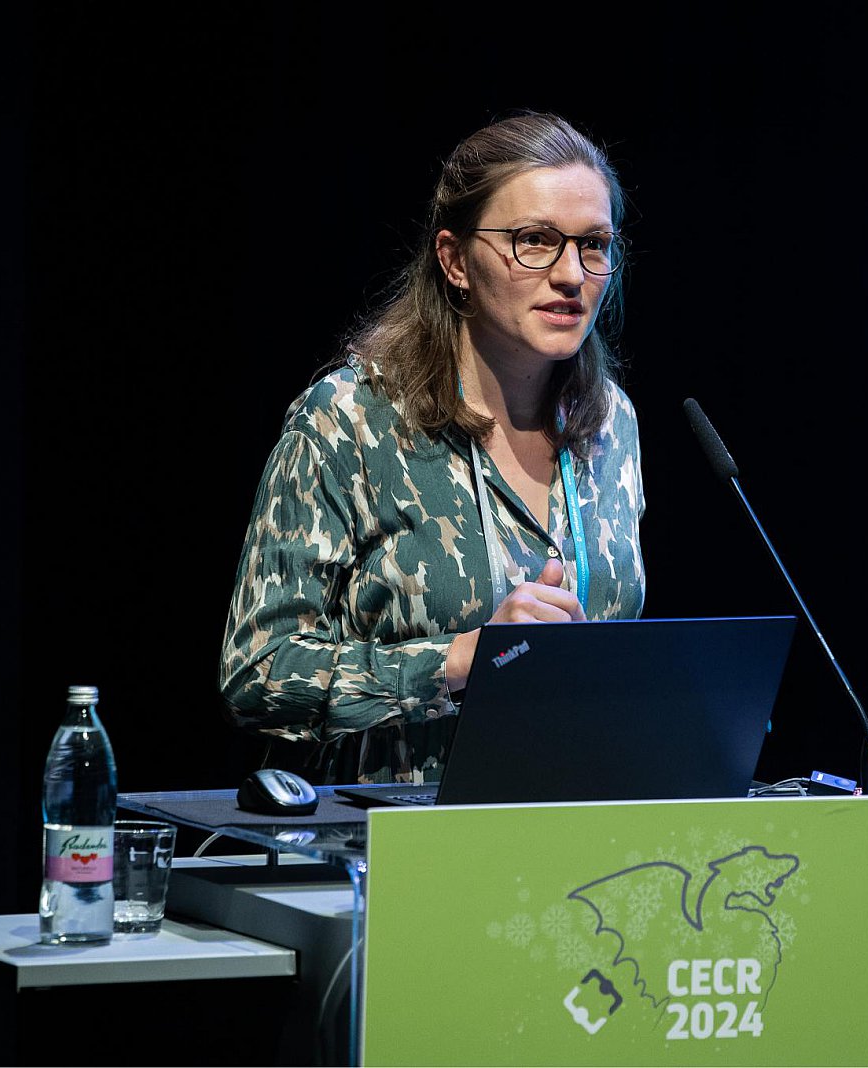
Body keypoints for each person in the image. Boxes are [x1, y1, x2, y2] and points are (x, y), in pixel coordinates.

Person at [219, 111, 646, 785]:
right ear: (454, 260)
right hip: (382, 835)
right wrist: (459, 661)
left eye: (593, 244)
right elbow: (258, 675)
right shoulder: (349, 422)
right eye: (535, 240)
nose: (571, 273)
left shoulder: (611, 425)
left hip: (569, 823)